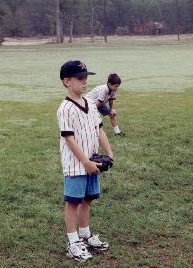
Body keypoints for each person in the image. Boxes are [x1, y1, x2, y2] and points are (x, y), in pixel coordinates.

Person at [57, 60, 114, 261]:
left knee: (87, 199)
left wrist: (109, 152)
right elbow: (69, 139)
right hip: (76, 165)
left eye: (86, 78)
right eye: (80, 78)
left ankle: (84, 235)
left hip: (93, 162)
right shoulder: (65, 108)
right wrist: (85, 163)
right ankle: (73, 242)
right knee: (73, 202)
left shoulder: (90, 103)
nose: (85, 82)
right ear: (67, 81)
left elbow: (99, 129)